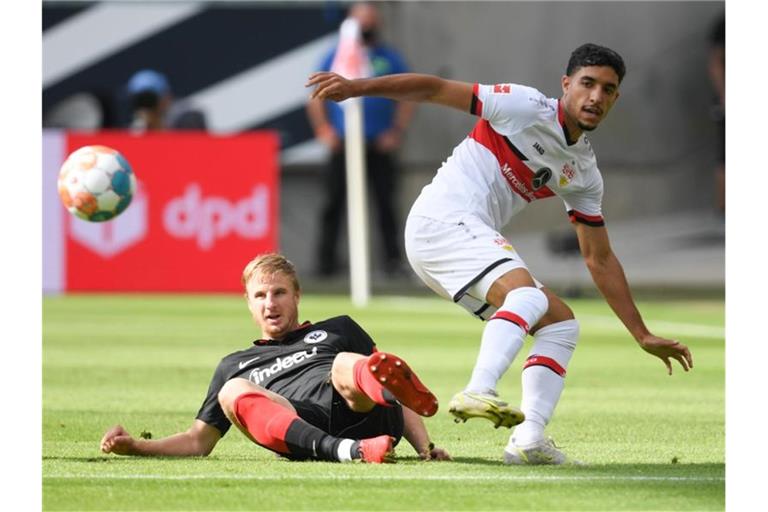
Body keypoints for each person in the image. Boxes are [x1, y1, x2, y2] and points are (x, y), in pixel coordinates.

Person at [307, 43, 694, 465]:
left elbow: (599, 258)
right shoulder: (524, 106)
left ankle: (528, 439)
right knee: (526, 296)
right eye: (587, 84)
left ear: (616, 98)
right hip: (440, 221)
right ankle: (478, 390)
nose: (595, 97)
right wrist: (357, 88)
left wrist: (641, 333)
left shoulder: (583, 172)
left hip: (455, 243)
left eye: (607, 89)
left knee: (561, 324)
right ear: (566, 85)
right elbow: (434, 89)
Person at [100, 253, 449, 463]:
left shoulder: (338, 328)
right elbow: (197, 441)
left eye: (280, 292)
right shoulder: (235, 364)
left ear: (297, 295)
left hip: (361, 409)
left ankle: (348, 446)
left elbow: (391, 380)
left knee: (348, 363)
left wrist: (425, 447)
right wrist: (138, 446)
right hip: (300, 425)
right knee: (233, 391)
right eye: (261, 295)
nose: (271, 303)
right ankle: (350, 451)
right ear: (249, 303)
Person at [306, 2, 415, 278]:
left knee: (385, 204)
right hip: (343, 144)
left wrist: (396, 131)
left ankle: (392, 262)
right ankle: (326, 265)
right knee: (333, 203)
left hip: (378, 144)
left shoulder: (388, 57)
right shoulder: (337, 54)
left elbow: (409, 95)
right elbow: (315, 94)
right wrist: (323, 129)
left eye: (371, 21)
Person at [126, 69, 207, 132]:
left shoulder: (188, 117)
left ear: (165, 96)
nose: (144, 107)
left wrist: (157, 125)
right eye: (139, 102)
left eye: (147, 100)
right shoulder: (138, 128)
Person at [707, 13, 725, 214]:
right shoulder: (724, 24)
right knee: (725, 156)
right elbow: (716, 62)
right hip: (724, 101)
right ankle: (723, 210)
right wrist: (724, 96)